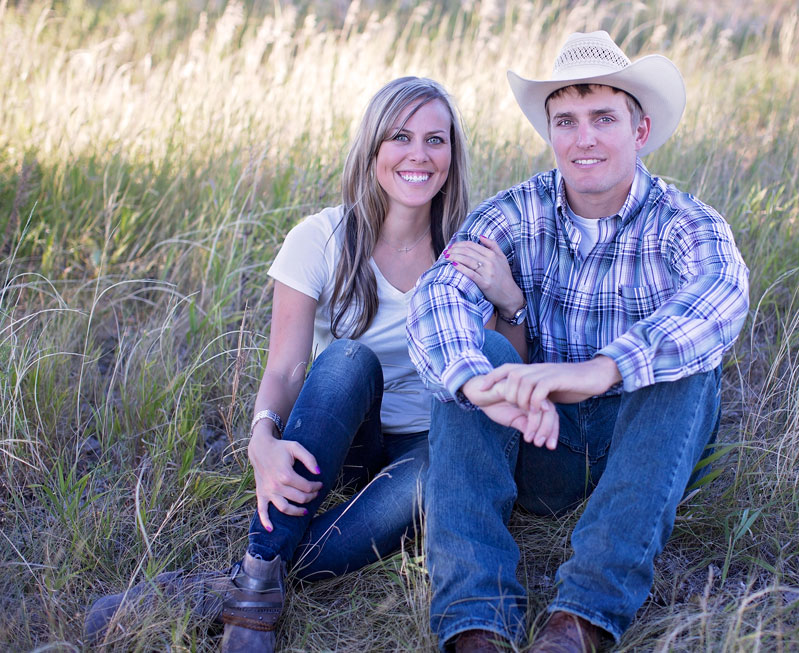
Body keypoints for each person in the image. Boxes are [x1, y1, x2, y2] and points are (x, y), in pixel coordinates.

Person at [85, 76, 524, 652]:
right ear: (372, 151)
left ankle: (245, 587)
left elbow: (505, 374)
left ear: (452, 155)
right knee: (345, 358)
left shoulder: (473, 248)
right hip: (342, 440)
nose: (419, 155)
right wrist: (261, 437)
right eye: (400, 137)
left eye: (435, 140)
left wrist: (509, 298)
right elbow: (288, 369)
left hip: (430, 442)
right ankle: (257, 571)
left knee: (436, 476)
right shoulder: (319, 238)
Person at [407, 31, 750, 652]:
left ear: (639, 131)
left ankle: (582, 618)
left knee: (686, 365)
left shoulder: (684, 221)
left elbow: (719, 295)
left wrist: (602, 369)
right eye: (565, 120)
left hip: (643, 447)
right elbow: (438, 295)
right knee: (473, 355)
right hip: (542, 439)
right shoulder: (515, 212)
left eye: (603, 118)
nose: (583, 138)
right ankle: (475, 619)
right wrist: (475, 381)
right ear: (549, 132)